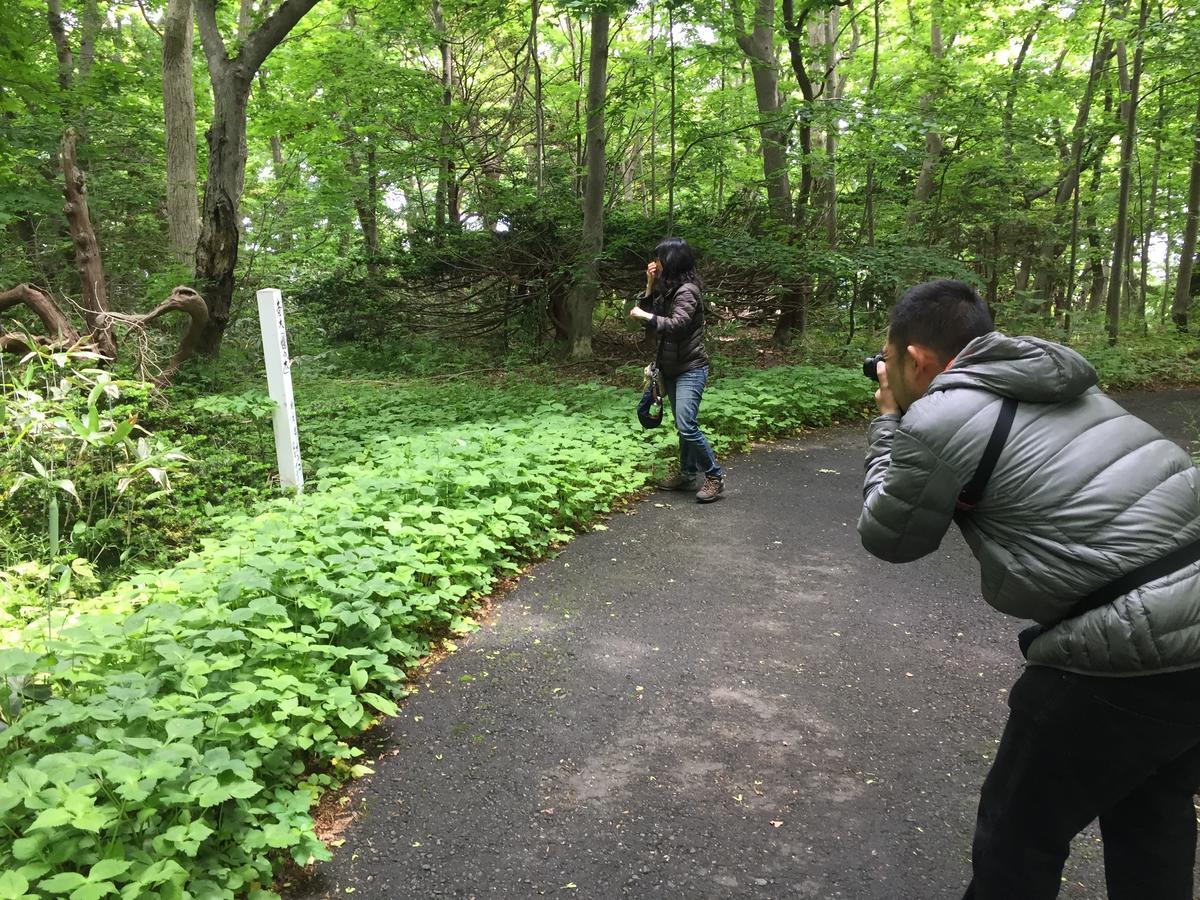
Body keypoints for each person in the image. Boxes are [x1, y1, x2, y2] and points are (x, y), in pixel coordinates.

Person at [856, 279, 1200, 900]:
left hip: (1127, 646)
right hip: (1191, 628)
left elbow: (890, 537)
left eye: (889, 358)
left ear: (916, 360)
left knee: (1018, 834)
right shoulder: (1062, 380)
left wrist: (888, 421)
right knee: (1153, 815)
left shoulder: (938, 414)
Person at [628, 237, 725, 503]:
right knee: (683, 426)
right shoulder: (668, 289)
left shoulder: (687, 291)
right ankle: (687, 474)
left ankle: (714, 476)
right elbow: (650, 322)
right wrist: (649, 286)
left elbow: (676, 324)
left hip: (691, 368)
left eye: (658, 259)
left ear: (670, 261)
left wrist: (644, 315)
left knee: (686, 424)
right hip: (670, 367)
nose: (654, 264)